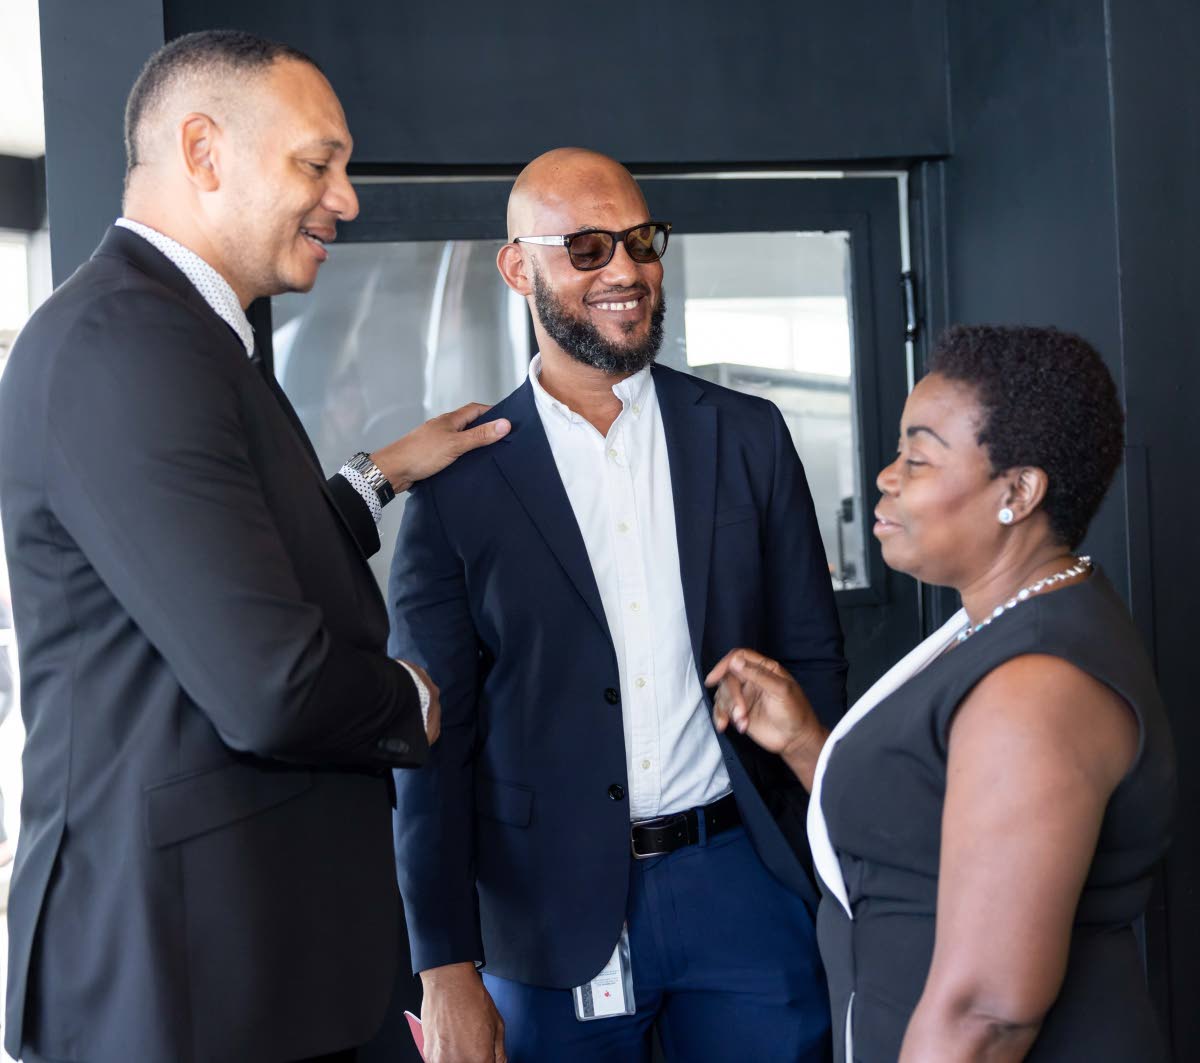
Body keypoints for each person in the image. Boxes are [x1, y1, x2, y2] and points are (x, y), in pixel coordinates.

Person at [0, 30, 509, 1063]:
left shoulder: (181, 332)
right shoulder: (125, 344)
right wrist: (410, 697)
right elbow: (269, 683)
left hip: (248, 961)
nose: (347, 198)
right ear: (203, 151)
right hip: (188, 980)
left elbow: (218, 561)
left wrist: (377, 478)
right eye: (317, 165)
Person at [388, 147, 846, 1063]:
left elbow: (814, 660)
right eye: (588, 249)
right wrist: (445, 967)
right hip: (546, 908)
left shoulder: (746, 436)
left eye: (640, 241)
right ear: (519, 267)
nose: (627, 272)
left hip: (741, 883)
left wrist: (814, 867)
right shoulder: (458, 484)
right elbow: (431, 744)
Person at [707, 325, 1176, 1062]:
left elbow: (985, 1012)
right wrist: (806, 745)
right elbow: (938, 828)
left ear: (1017, 491)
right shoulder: (1003, 624)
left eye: (917, 457)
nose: (887, 476)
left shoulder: (1036, 689)